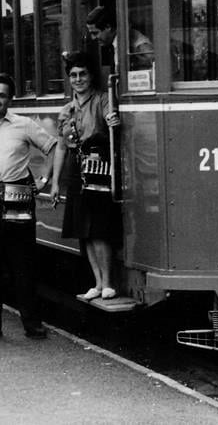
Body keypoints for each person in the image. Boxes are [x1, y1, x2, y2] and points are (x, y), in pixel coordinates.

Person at [0, 73, 63, 341]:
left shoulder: (23, 125)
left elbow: (53, 147)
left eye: (2, 95)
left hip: (17, 195)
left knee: (23, 263)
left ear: (10, 99)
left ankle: (33, 325)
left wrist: (44, 179)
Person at [58, 51, 122, 300]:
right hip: (77, 168)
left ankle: (108, 282)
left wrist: (112, 119)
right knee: (83, 230)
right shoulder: (66, 109)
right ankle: (96, 283)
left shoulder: (102, 99)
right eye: (73, 75)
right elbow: (62, 145)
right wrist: (54, 183)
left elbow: (109, 116)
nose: (78, 79)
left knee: (98, 228)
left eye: (82, 74)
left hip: (97, 167)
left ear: (91, 76)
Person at [85, 5, 153, 71]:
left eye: (95, 33)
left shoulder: (140, 46)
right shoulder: (114, 42)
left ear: (108, 27)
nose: (93, 38)